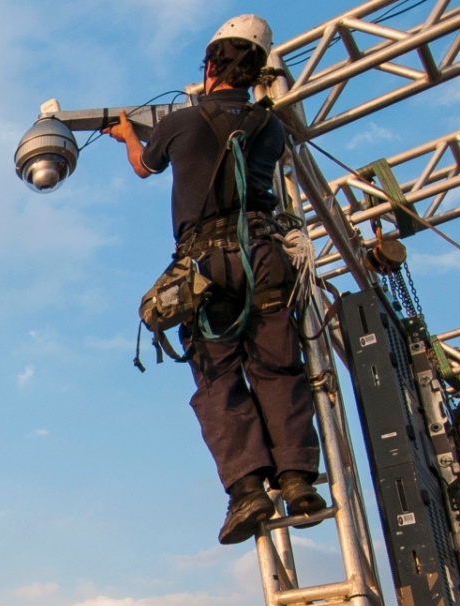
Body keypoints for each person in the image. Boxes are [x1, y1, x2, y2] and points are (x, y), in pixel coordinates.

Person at [105, 15, 326, 545]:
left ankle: (248, 491)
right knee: (277, 367)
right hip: (266, 253)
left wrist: (129, 136)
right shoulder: (271, 126)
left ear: (209, 66)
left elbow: (143, 168)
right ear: (256, 73)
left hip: (205, 263)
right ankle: (296, 480)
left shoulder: (181, 123)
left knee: (219, 376)